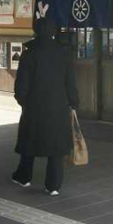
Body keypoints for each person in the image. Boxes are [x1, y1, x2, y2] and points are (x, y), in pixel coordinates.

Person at [12, 16, 79, 196]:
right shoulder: (64, 53)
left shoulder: (29, 53)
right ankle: (53, 185)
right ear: (53, 32)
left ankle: (24, 177)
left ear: (36, 31)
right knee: (56, 147)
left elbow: (21, 84)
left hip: (34, 105)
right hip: (58, 106)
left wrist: (23, 100)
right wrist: (73, 102)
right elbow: (70, 83)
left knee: (29, 143)